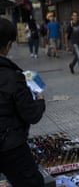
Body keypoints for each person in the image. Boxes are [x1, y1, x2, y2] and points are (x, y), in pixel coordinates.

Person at [0, 17, 46, 187]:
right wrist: (40, 99)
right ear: (9, 45)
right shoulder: (13, 77)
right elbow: (31, 114)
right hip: (11, 147)